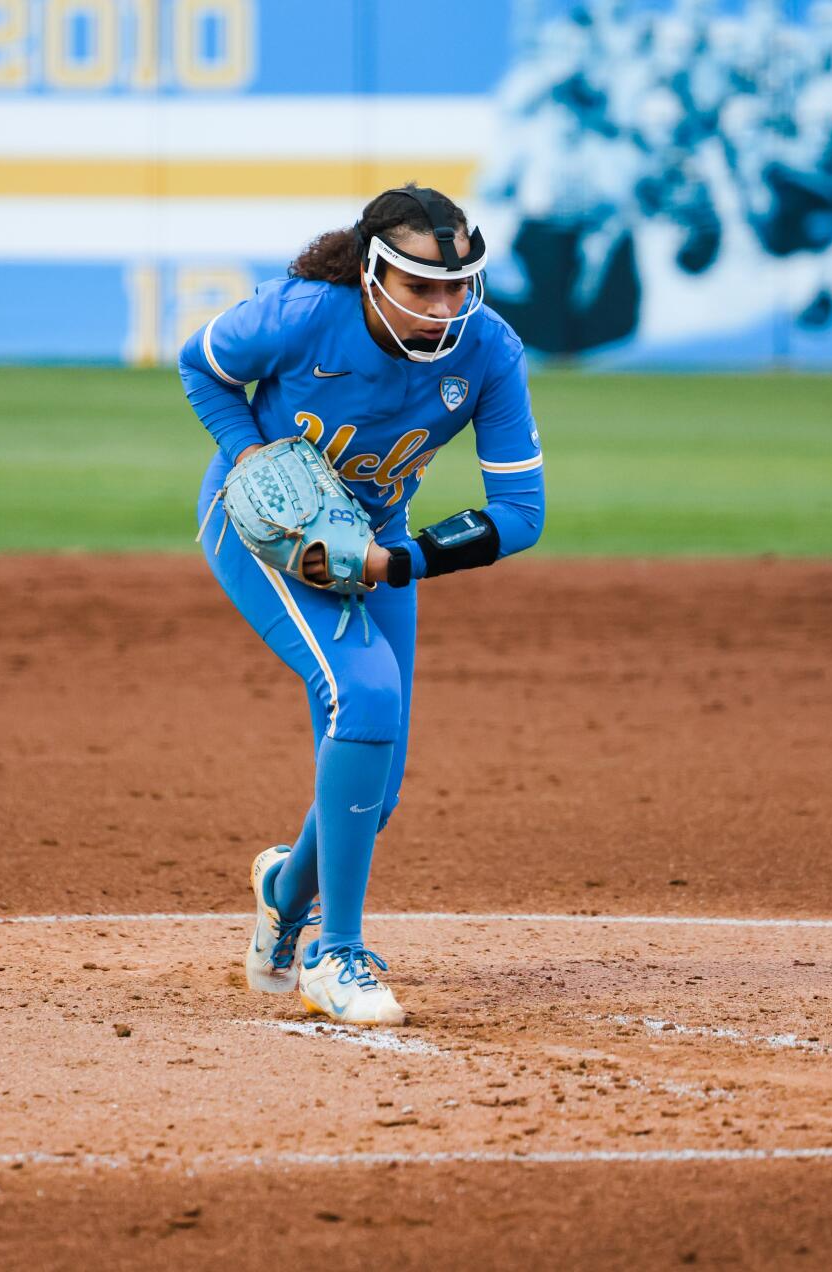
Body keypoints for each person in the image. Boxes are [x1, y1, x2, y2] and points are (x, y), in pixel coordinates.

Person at [179, 184, 545, 1026]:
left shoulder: (488, 351)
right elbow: (204, 365)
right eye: (422, 287)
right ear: (376, 272)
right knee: (368, 694)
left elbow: (522, 515)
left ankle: (282, 886)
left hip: (374, 543)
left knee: (373, 797)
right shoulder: (305, 313)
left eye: (459, 286)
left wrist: (397, 560)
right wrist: (257, 466)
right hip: (260, 531)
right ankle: (331, 952)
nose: (444, 306)